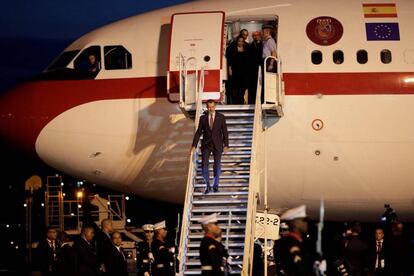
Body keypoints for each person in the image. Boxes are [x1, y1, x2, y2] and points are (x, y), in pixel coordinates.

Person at [192, 99, 229, 193]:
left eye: (212, 107)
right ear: (207, 107)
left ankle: (215, 185)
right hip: (206, 145)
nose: (210, 108)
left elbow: (225, 132)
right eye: (209, 107)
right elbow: (198, 133)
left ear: (215, 107)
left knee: (217, 166)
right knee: (204, 165)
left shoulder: (221, 117)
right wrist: (194, 145)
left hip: (217, 144)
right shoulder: (202, 118)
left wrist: (226, 145)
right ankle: (207, 185)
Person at [274, 205, 312, 276]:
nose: (306, 223)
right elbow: (298, 269)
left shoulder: (296, 241)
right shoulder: (290, 243)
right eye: (304, 220)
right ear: (295, 223)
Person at [228, 35, 251, 104]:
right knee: (235, 87)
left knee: (243, 87)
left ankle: (241, 100)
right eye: (239, 41)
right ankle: (235, 101)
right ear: (237, 42)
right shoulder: (233, 49)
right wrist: (230, 69)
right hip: (235, 70)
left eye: (242, 41)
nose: (240, 43)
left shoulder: (246, 49)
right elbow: (230, 60)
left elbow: (248, 61)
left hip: (244, 71)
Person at [248, 31, 263, 104]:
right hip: (251, 68)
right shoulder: (250, 45)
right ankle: (252, 101)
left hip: (260, 67)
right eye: (254, 35)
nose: (255, 37)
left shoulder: (262, 44)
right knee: (252, 85)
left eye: (257, 35)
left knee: (259, 84)